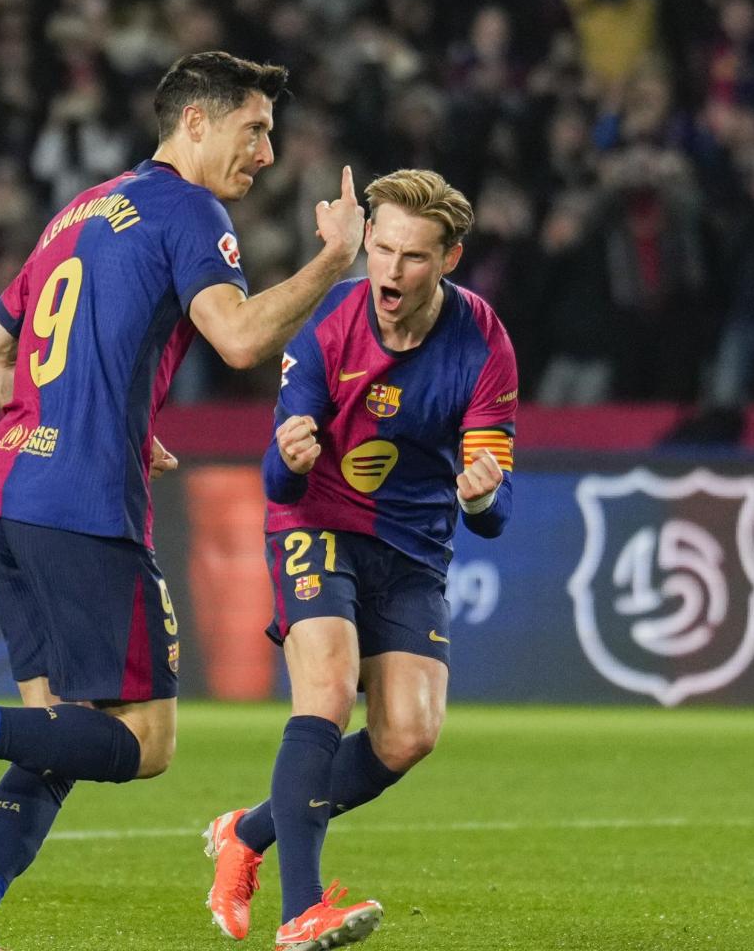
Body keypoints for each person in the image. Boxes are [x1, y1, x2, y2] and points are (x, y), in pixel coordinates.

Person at [0, 51, 367, 951]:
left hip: (3, 489)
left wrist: (91, 413)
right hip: (81, 503)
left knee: (61, 735)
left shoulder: (76, 211)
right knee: (144, 744)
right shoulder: (187, 210)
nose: (268, 154)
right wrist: (335, 261)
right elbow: (238, 339)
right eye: (256, 130)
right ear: (195, 124)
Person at [202, 169, 517, 951]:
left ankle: (246, 832)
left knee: (408, 735)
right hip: (315, 522)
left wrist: (479, 496)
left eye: (413, 256)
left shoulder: (483, 341)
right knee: (329, 689)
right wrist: (290, 454)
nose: (390, 271)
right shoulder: (328, 324)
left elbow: (495, 515)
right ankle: (300, 910)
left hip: (413, 547)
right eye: (380, 249)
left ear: (449, 258)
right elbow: (276, 480)